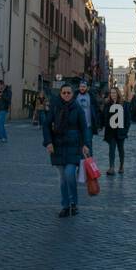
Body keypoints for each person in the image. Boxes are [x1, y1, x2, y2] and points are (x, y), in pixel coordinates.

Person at [42, 83, 89, 217]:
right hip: (58, 145)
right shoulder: (55, 107)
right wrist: (48, 142)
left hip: (74, 145)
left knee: (69, 174)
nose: (67, 95)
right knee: (62, 179)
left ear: (72, 94)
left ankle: (74, 203)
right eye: (64, 93)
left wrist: (86, 144)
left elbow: (84, 128)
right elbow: (46, 125)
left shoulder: (78, 108)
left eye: (69, 92)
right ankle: (65, 205)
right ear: (60, 94)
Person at [102, 87, 130, 175]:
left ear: (118, 93)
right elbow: (105, 116)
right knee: (112, 149)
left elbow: (128, 119)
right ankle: (111, 167)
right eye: (111, 93)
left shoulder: (124, 104)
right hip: (111, 131)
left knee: (121, 149)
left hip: (120, 131)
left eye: (114, 93)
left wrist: (125, 131)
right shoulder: (107, 104)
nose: (113, 94)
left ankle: (121, 166)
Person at [75, 78, 102, 154]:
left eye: (84, 86)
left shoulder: (91, 96)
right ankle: (80, 162)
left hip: (88, 125)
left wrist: (98, 124)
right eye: (81, 86)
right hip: (77, 125)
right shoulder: (75, 96)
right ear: (79, 87)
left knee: (88, 143)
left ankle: (89, 162)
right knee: (77, 144)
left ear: (87, 87)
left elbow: (97, 111)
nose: (82, 88)